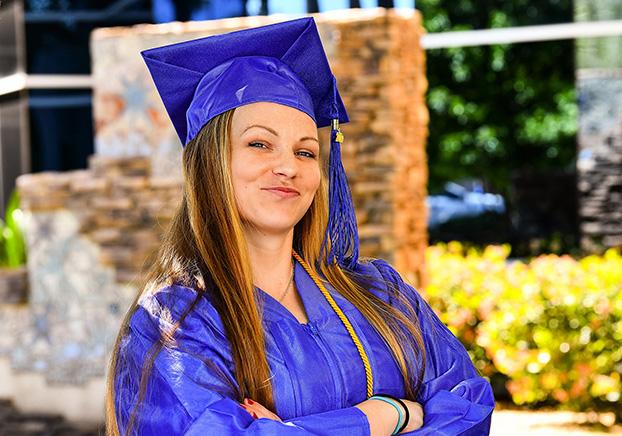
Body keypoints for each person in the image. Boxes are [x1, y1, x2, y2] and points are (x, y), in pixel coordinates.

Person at [105, 17, 495, 435]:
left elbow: (466, 405)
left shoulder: (381, 294)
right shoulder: (174, 324)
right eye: (259, 144)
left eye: (306, 152)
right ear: (209, 164)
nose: (289, 167)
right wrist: (385, 416)